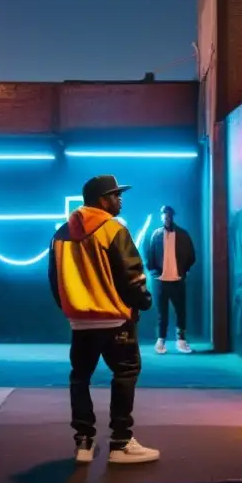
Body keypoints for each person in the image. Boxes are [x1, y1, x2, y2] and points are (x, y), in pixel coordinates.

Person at [48, 174, 159, 465]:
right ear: (102, 200)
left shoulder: (61, 234)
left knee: (80, 376)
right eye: (115, 195)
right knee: (125, 372)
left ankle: (83, 442)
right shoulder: (113, 230)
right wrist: (143, 302)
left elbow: (54, 280)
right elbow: (131, 275)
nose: (120, 199)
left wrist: (71, 308)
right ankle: (121, 443)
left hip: (80, 323)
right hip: (114, 320)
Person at [146, 205, 196, 354]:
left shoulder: (183, 235)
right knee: (162, 313)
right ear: (161, 217)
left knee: (181, 311)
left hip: (177, 280)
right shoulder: (156, 234)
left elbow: (191, 256)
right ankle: (161, 341)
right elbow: (151, 257)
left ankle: (181, 341)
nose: (166, 218)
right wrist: (155, 272)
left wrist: (182, 271)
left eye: (168, 216)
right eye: (163, 216)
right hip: (160, 281)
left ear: (172, 217)